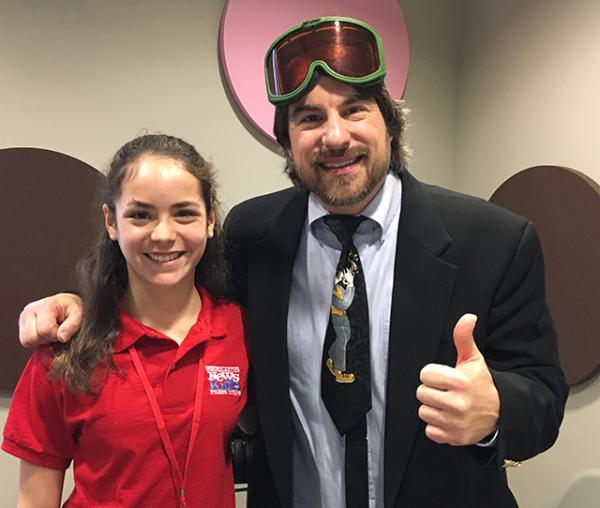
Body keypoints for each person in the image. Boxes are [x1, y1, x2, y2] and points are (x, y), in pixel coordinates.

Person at [17, 17, 568, 508]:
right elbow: (176, 299)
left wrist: (495, 413)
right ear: (286, 142)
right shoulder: (253, 236)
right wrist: (83, 308)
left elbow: (543, 397)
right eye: (309, 118)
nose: (334, 135)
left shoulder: (493, 240)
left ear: (390, 125)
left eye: (354, 109)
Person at [4, 134, 248, 507]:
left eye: (184, 213)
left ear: (210, 219)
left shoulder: (238, 328)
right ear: (112, 222)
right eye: (141, 214)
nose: (163, 234)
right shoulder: (66, 351)